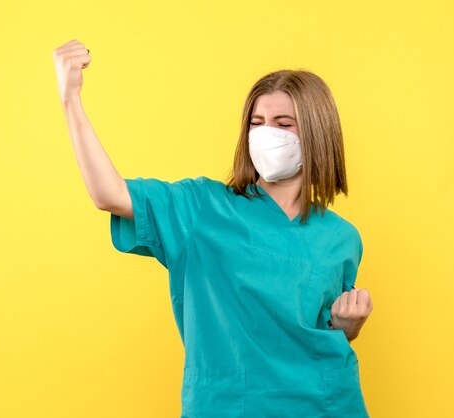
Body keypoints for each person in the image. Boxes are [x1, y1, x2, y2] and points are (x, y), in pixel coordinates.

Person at [53, 39, 374, 417]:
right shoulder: (202, 208)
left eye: (284, 124)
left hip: (325, 405)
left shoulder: (341, 238)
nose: (266, 133)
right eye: (257, 123)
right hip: (230, 405)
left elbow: (318, 327)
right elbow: (109, 193)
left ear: (318, 134)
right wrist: (70, 100)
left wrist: (347, 327)